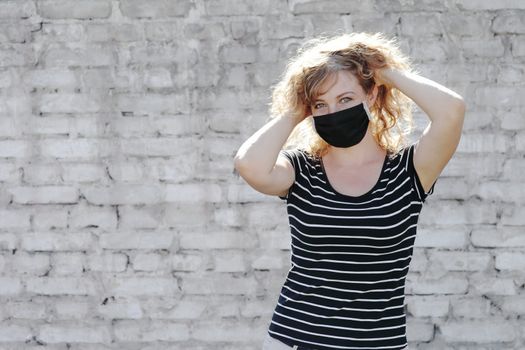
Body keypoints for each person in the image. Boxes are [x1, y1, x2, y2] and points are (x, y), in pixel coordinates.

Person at [233, 32, 465, 350]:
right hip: (296, 340)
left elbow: (452, 111)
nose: (333, 112)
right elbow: (249, 166)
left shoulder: (408, 171)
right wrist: (296, 110)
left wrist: (384, 73)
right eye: (321, 104)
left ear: (370, 95)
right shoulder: (301, 169)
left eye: (345, 99)